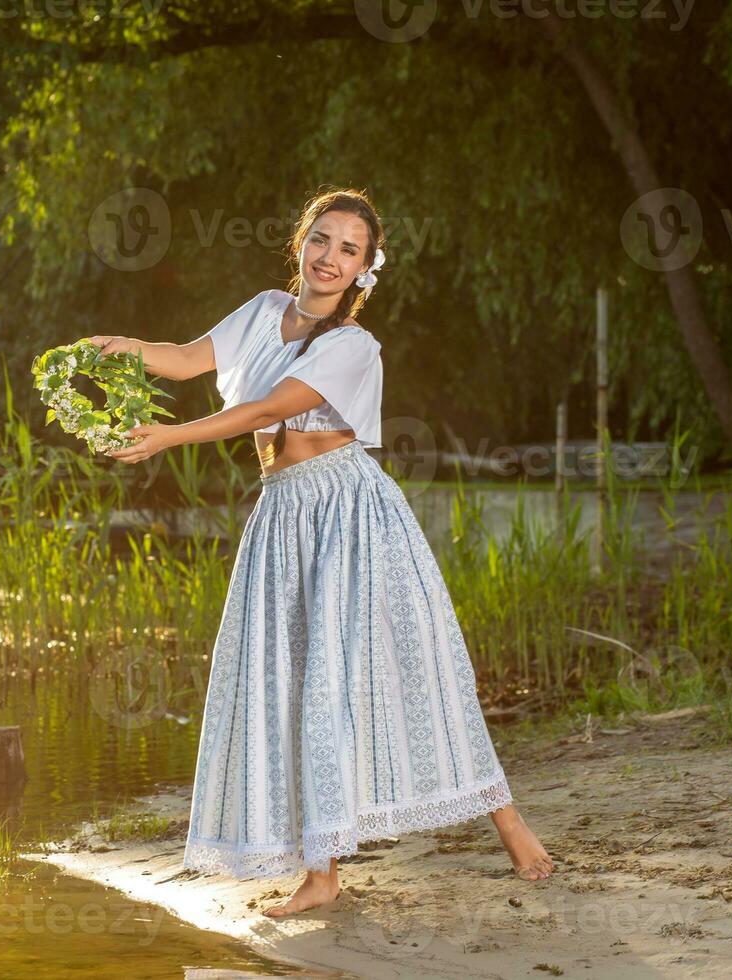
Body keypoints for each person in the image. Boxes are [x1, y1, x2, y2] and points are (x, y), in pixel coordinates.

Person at [89, 187, 553, 919]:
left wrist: (169, 438)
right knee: (303, 684)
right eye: (322, 239)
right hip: (282, 516)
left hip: (347, 510)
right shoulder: (259, 311)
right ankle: (323, 873)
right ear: (300, 242)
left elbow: (267, 410)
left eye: (350, 250)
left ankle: (510, 823)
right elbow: (183, 359)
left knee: (414, 669)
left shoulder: (351, 345)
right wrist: (121, 348)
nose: (331, 258)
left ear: (366, 270)